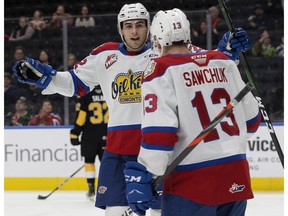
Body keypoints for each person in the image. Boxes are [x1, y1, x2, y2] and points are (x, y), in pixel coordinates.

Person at [12, 3, 251, 216]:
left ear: (150, 28)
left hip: (161, 153)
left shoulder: (166, 51)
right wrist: (47, 78)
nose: (134, 31)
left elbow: (208, 61)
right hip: (118, 152)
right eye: (128, 26)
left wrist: (227, 51)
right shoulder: (105, 55)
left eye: (139, 25)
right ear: (120, 29)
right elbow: (74, 83)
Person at [124, 8, 261, 216]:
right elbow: (252, 122)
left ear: (157, 39)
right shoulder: (223, 60)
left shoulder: (160, 69)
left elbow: (160, 135)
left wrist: (145, 174)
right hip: (236, 178)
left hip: (191, 184)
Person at [70, 85, 108, 200]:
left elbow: (81, 117)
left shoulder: (86, 95)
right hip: (108, 134)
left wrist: (75, 133)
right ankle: (107, 188)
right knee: (106, 163)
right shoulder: (109, 91)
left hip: (89, 135)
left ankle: (91, 188)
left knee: (89, 161)